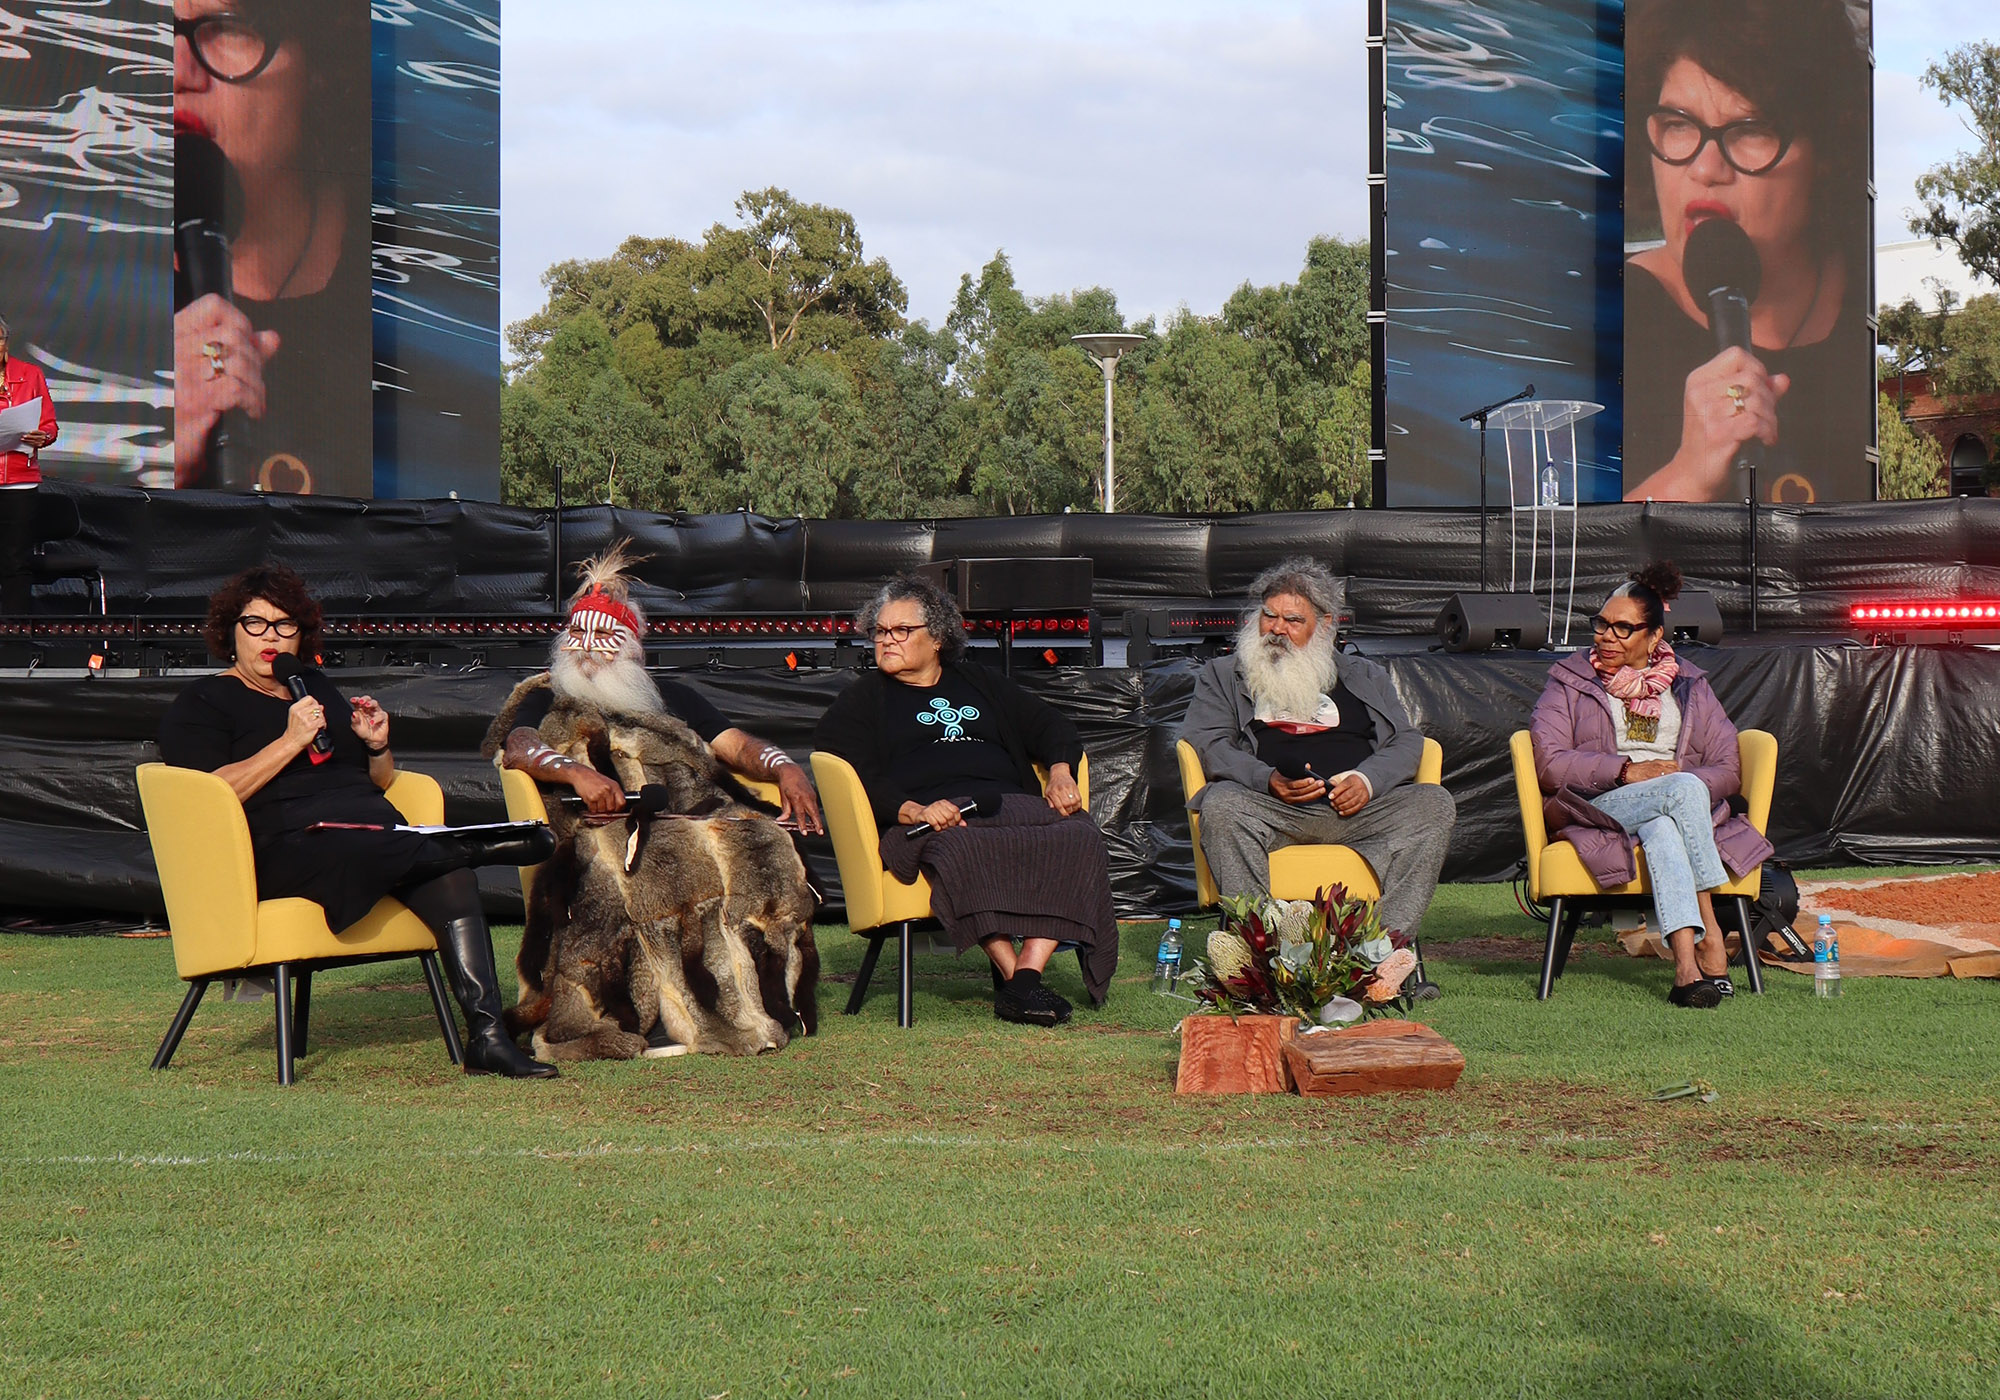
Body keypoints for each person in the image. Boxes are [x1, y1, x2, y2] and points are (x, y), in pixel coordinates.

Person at [157, 565, 560, 1076]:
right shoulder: (202, 701)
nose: (270, 637)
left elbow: (378, 781)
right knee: (410, 850)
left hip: (369, 835)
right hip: (286, 847)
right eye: (255, 624)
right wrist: (289, 741)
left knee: (450, 874)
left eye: (284, 625)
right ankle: (469, 845)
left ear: (300, 635)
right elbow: (208, 795)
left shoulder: (312, 685)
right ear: (228, 630)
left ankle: (487, 1037)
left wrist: (377, 745)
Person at [485, 545, 823, 1059]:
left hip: (691, 815)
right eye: (578, 633)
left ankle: (763, 1001)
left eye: (604, 636)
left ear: (631, 648)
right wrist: (575, 771)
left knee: (763, 840)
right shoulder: (545, 695)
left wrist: (785, 767)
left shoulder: (671, 697)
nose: (587, 647)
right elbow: (519, 746)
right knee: (661, 860)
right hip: (594, 826)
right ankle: (656, 1014)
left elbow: (735, 746)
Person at [813, 573, 1118, 1026]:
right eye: (880, 631)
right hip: (932, 820)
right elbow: (856, 774)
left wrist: (1059, 772)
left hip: (1008, 805)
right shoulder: (861, 702)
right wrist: (913, 809)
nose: (886, 641)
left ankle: (1023, 980)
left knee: (1081, 836)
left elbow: (1051, 726)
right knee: (960, 848)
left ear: (936, 638)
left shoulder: (980, 683)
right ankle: (1020, 981)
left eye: (901, 630)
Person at [1621, 0, 1871, 504]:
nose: (1705, 167)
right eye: (1677, 124)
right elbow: (1564, 558)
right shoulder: (1615, 318)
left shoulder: (1869, 301)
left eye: (1750, 131)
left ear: (1825, 155)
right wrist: (1688, 476)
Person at [1180, 558, 1455, 961]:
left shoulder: (1365, 675)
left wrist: (1366, 781)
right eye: (1269, 616)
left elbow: (1407, 742)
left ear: (1325, 625)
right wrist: (1267, 778)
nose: (1276, 629)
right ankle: (1266, 955)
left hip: (1360, 812)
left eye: (1293, 620)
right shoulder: (1223, 675)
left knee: (1434, 803)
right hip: (1274, 809)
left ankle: (1378, 956)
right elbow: (1206, 742)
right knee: (1221, 806)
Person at [1529, 561, 1774, 1008]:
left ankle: (1685, 971)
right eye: (1601, 623)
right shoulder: (1568, 682)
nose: (1606, 636)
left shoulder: (1690, 685)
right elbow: (1550, 763)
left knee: (1665, 825)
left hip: (1676, 809)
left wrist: (1680, 782)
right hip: (1598, 806)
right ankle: (1712, 933)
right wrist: (1625, 771)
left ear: (1654, 636)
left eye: (1623, 628)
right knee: (1679, 792)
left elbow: (1727, 766)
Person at [173, 0, 371, 494]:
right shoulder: (83, 276)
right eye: (155, 29)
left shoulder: (402, 275)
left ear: (319, 67)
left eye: (228, 27)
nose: (177, 71)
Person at [0, 312, 59, 613]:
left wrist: (43, 436)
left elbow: (50, 425)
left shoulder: (30, 374)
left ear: (5, 342)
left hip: (20, 481)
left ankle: (13, 634)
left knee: (16, 560)